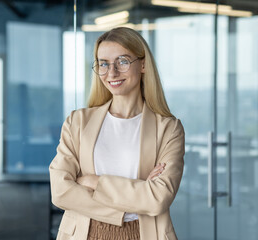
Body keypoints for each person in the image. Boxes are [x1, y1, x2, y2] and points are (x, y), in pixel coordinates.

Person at [49, 27, 185, 240]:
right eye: (103, 63)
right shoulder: (78, 122)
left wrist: (94, 182)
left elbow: (157, 198)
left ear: (143, 64)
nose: (111, 73)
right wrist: (134, 199)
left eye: (122, 61)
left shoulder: (168, 128)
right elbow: (60, 191)